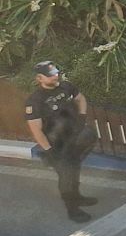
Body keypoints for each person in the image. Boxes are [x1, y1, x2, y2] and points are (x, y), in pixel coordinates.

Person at [23, 60, 96, 222]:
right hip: (57, 145)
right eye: (51, 75)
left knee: (74, 169)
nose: (56, 76)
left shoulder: (66, 87)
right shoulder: (35, 100)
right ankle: (73, 210)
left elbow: (81, 98)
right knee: (66, 176)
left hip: (74, 140)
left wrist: (82, 116)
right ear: (40, 78)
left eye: (56, 73)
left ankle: (77, 197)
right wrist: (49, 150)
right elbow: (36, 129)